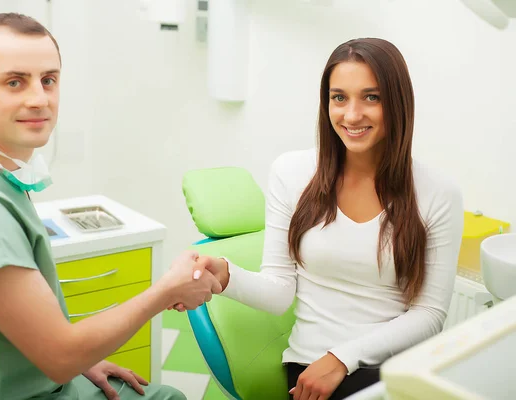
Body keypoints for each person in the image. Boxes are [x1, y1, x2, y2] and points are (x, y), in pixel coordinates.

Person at [0, 13, 222, 400]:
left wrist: (82, 358)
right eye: (14, 82)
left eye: (48, 80)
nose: (39, 99)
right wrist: (166, 290)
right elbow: (60, 357)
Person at [186, 38, 465, 400]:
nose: (351, 115)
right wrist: (226, 274)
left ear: (397, 103)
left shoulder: (438, 192)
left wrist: (344, 357)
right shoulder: (292, 172)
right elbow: (278, 291)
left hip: (399, 367)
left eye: (371, 97)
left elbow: (428, 314)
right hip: (313, 368)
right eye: (339, 97)